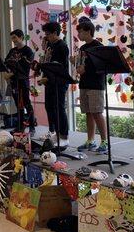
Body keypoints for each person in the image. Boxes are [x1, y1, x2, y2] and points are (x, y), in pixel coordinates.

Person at [74, 19, 108, 154]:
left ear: (88, 31)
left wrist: (85, 68)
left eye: (80, 32)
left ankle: (105, 141)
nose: (78, 35)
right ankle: (90, 140)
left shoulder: (98, 46)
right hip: (84, 83)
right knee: (88, 112)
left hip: (96, 84)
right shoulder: (82, 48)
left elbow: (100, 67)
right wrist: (76, 64)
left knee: (97, 112)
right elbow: (80, 66)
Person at [39, 21, 70, 149]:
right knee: (49, 107)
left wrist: (48, 77)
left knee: (59, 108)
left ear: (55, 33)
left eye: (48, 34)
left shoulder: (62, 46)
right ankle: (56, 132)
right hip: (49, 81)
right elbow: (47, 63)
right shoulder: (50, 46)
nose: (46, 36)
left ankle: (64, 136)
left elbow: (59, 67)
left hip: (59, 82)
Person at [4, 29, 36, 133]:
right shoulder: (12, 51)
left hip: (23, 80)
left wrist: (11, 73)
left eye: (15, 38)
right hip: (14, 81)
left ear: (21, 37)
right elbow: (6, 63)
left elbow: (25, 67)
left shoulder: (28, 51)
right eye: (12, 38)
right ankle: (20, 126)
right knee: (18, 104)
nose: (13, 40)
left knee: (26, 103)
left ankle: (32, 126)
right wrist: (7, 73)